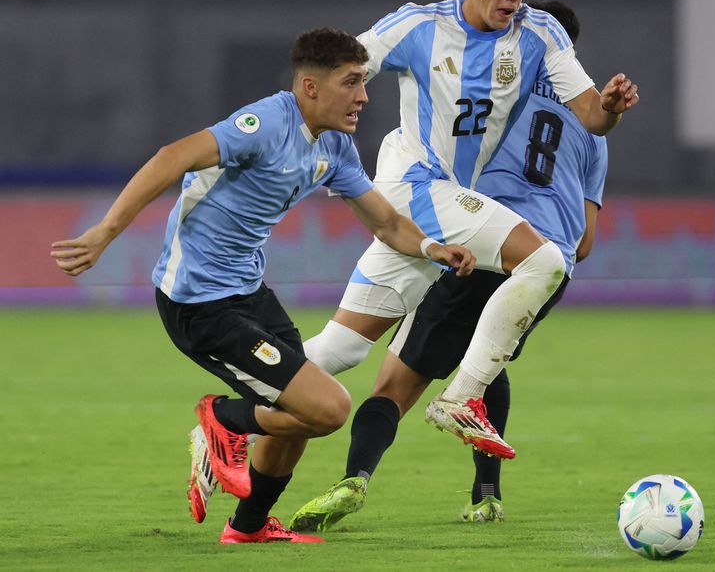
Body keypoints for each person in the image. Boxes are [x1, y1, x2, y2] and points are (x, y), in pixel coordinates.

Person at [50, 27, 475, 544]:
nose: (364, 95)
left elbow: (386, 224)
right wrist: (104, 233)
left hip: (249, 294)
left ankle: (247, 526)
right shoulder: (265, 123)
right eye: (352, 82)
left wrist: (434, 249)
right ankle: (221, 418)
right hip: (198, 302)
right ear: (310, 87)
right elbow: (170, 156)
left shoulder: (336, 147)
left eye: (364, 82)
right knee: (329, 409)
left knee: (300, 404)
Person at [299, 0, 637, 463]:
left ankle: (230, 414)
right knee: (546, 262)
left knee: (341, 347)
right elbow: (346, 66)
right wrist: (314, 121)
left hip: (434, 206)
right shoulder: (418, 26)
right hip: (415, 187)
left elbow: (591, 115)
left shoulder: (541, 32)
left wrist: (612, 108)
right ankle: (462, 396)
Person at [289, 0, 607, 531]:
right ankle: (486, 493)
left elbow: (455, 158)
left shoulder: (501, 93)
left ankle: (352, 476)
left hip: (473, 245)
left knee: (390, 380)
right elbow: (586, 241)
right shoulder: (591, 128)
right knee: (487, 359)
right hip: (542, 262)